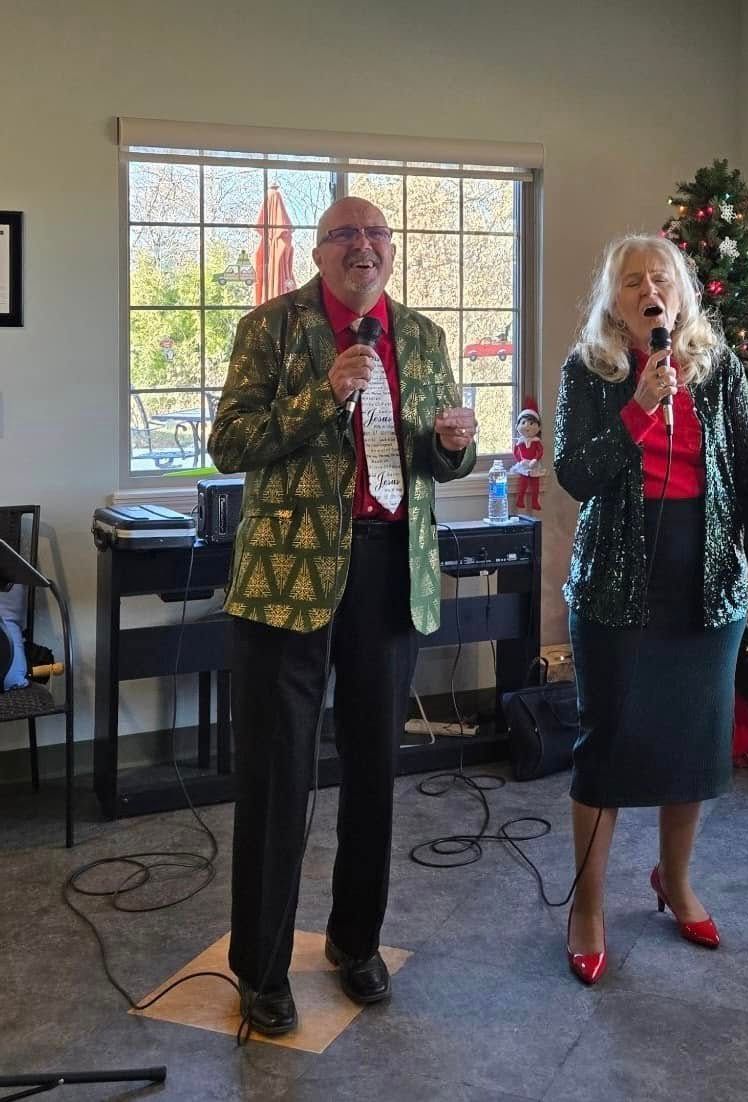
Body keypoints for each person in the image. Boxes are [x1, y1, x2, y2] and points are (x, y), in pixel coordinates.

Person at [208, 196, 477, 1034]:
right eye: (346, 236)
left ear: (390, 251)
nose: (364, 247)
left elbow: (435, 457)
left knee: (372, 770)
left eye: (376, 235)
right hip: (287, 578)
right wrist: (322, 396)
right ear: (320, 255)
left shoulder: (423, 337)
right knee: (277, 774)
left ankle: (355, 944)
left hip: (390, 570)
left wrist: (457, 445)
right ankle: (260, 969)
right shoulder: (273, 330)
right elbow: (229, 443)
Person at [554, 233, 748, 985]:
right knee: (609, 745)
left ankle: (674, 880)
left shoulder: (717, 370)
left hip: (707, 580)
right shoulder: (589, 372)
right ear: (614, 303)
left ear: (681, 295)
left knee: (693, 743)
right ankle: (587, 906)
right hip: (616, 584)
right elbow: (575, 475)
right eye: (632, 281)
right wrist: (639, 407)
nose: (649, 289)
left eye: (662, 279)